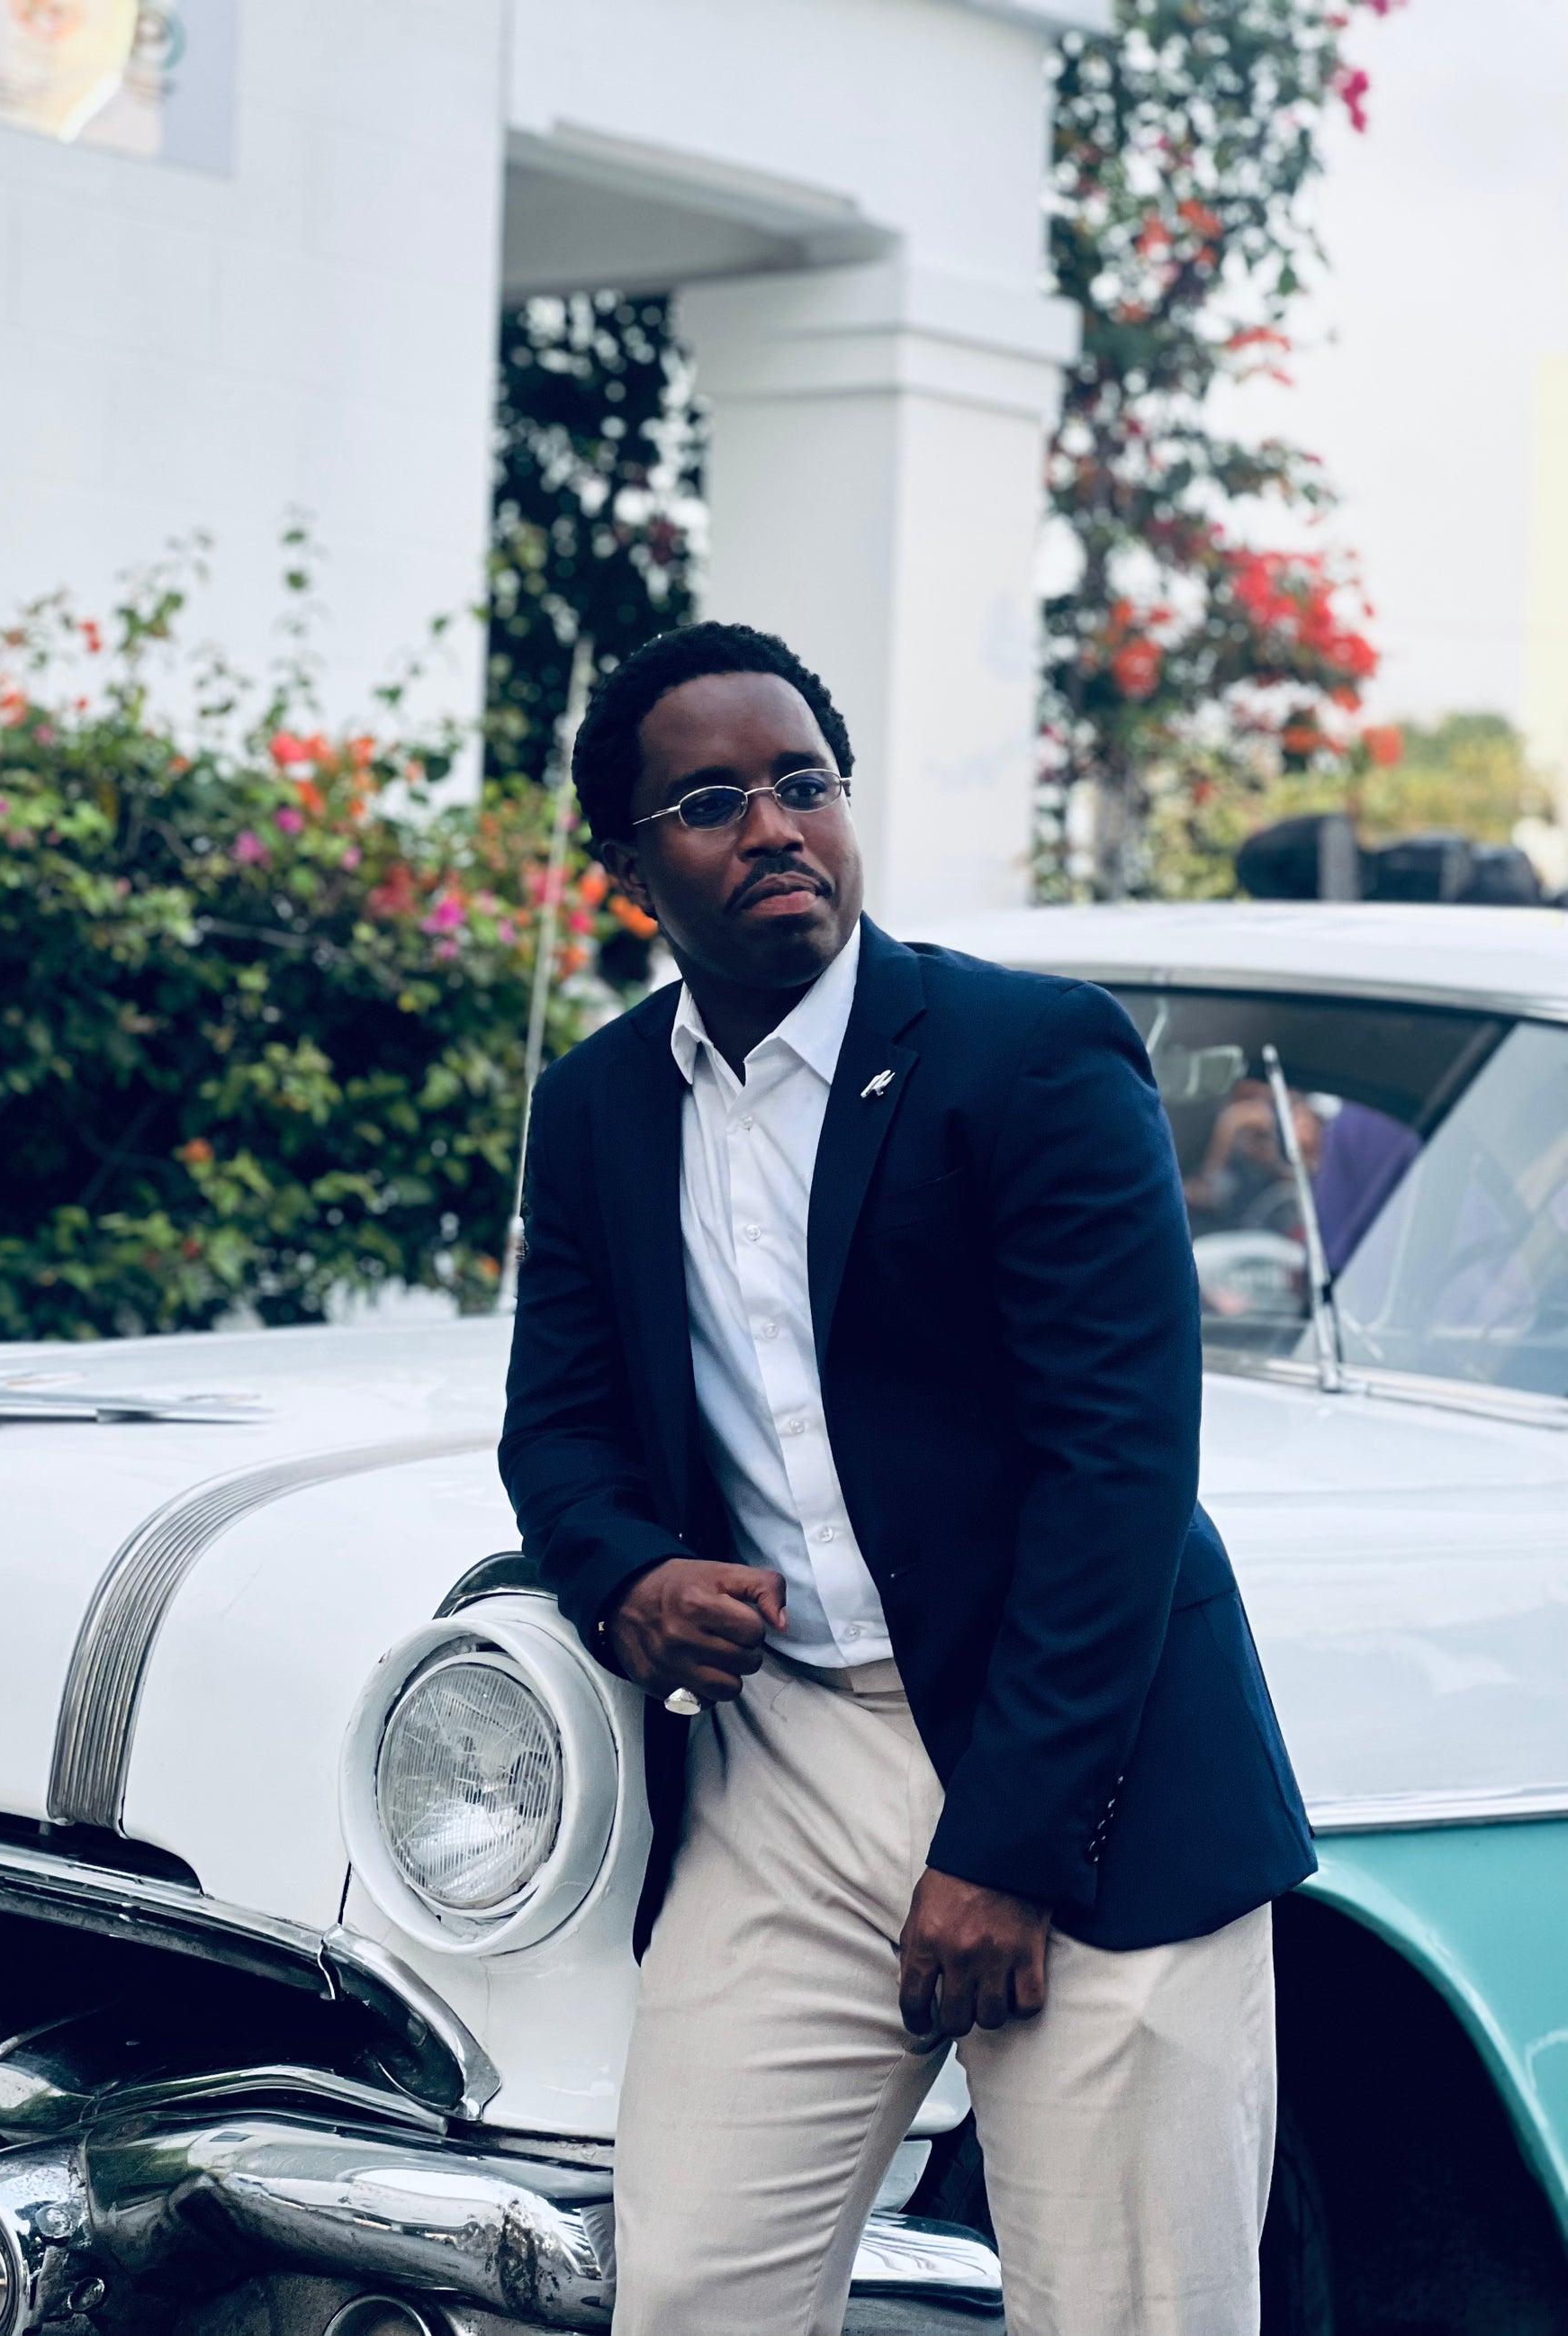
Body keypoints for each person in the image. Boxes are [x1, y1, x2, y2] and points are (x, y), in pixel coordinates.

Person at [499, 622, 1316, 2336]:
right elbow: (558, 1426)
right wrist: (627, 1575)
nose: (774, 827)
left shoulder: (1028, 1058)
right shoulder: (595, 1111)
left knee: (1130, 2312)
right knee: (690, 2296)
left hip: (1089, 1762)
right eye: (711, 801)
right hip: (781, 1773)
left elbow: (1117, 1469)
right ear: (626, 865)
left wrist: (1006, 1848)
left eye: (802, 782)